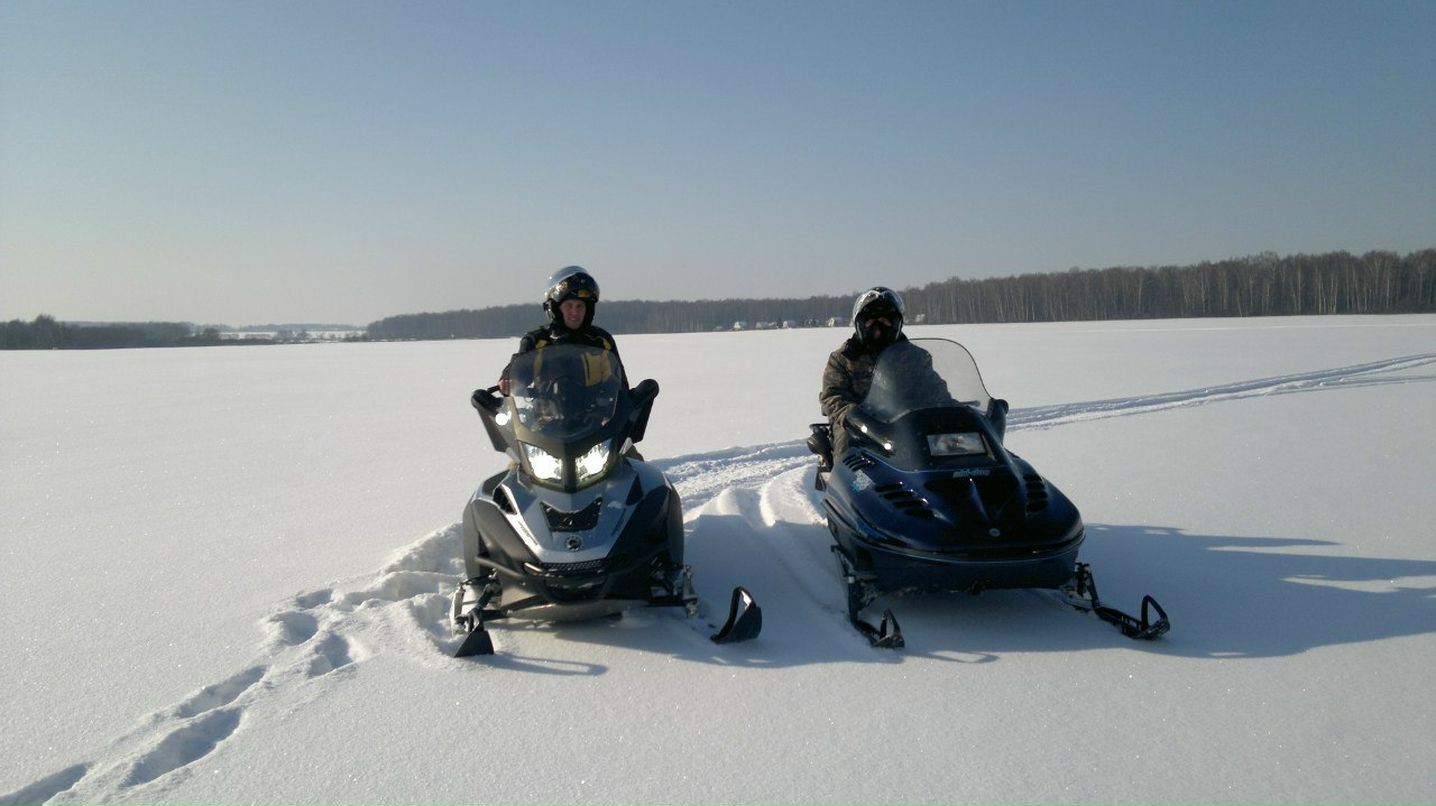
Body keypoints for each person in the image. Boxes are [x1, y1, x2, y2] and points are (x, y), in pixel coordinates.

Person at [815, 286, 908, 467]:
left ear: (896, 322)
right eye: (870, 320)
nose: (878, 327)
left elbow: (934, 389)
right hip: (859, 423)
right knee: (846, 441)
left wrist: (951, 407)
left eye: (885, 320)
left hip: (904, 421)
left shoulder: (913, 357)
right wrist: (853, 415)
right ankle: (847, 486)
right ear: (860, 323)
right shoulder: (843, 358)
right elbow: (831, 396)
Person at [498, 266, 625, 396]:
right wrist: (510, 380)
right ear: (556, 308)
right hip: (546, 415)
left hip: (596, 415)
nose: (575, 312)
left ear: (588, 310)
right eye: (569, 306)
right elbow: (520, 367)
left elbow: (619, 385)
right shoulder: (538, 341)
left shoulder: (601, 341)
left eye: (580, 306)